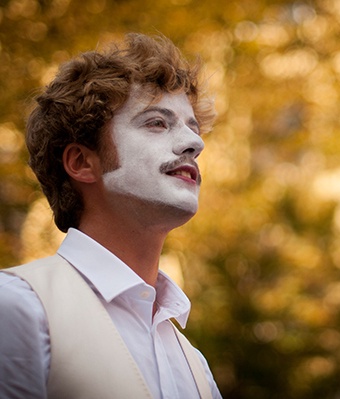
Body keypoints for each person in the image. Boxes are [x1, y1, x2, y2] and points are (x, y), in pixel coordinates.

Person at [0, 33, 222, 399]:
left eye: (192, 128)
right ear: (82, 162)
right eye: (156, 123)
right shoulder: (18, 307)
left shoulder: (194, 365)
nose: (195, 144)